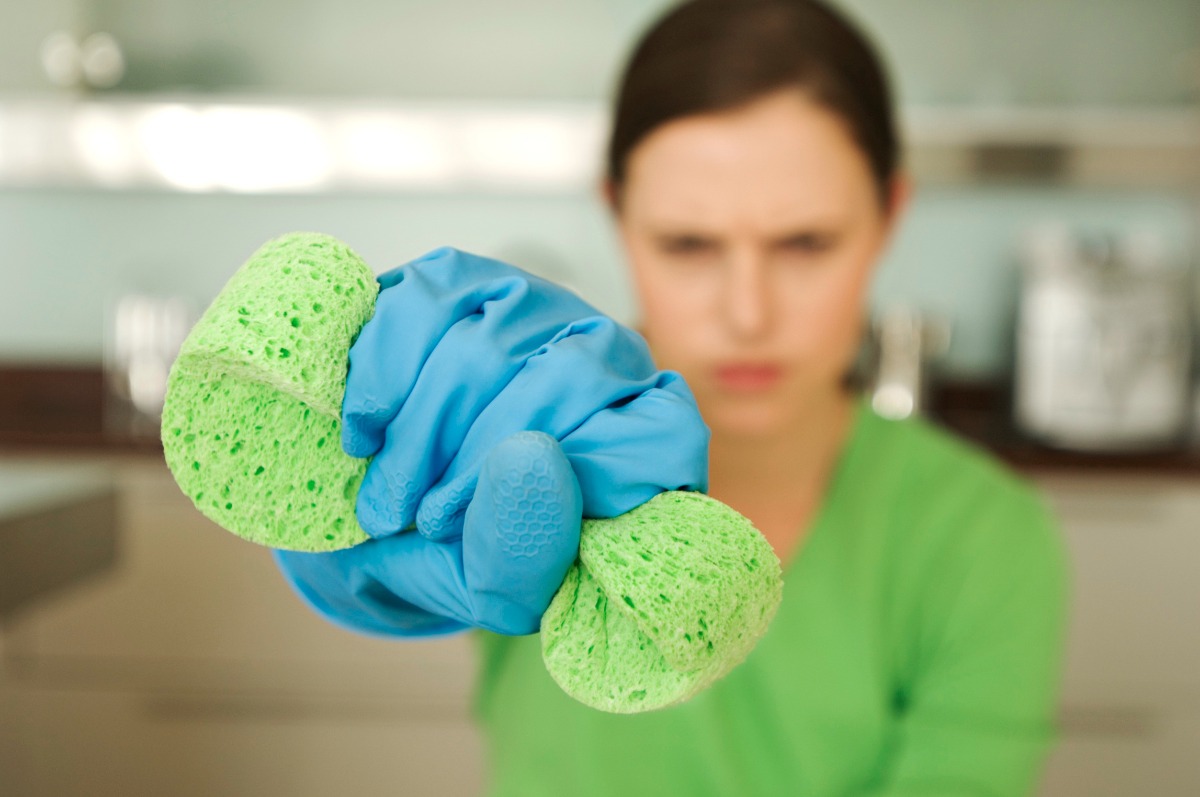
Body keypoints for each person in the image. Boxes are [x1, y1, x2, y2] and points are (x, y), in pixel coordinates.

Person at [275, 1, 1069, 795]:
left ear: (889, 215)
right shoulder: (532, 441)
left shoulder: (980, 536)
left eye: (805, 244)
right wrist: (349, 530)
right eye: (689, 244)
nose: (748, 313)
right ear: (618, 215)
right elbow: (364, 542)